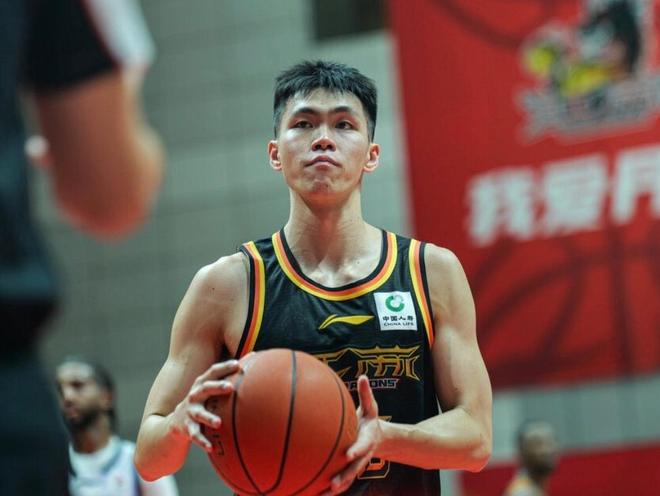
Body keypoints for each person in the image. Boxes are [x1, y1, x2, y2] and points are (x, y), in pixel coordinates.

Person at [134, 60, 492, 495]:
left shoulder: (430, 272)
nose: (323, 138)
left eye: (344, 124)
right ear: (275, 153)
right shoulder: (227, 285)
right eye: (303, 124)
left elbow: (476, 439)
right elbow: (149, 459)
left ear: (372, 155)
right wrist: (178, 424)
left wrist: (382, 436)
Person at [1, 1, 163, 494]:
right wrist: (118, 101)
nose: (71, 396)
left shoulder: (135, 464)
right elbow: (110, 196)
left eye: (79, 385)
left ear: (107, 396)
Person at [55, 357, 178, 496]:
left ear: (106, 397)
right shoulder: (53, 467)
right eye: (60, 390)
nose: (67, 397)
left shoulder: (138, 462)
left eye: (78, 385)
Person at [503, 420, 559, 496]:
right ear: (521, 451)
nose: (546, 450)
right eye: (537, 444)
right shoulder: (522, 492)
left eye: (550, 443)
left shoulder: (534, 489)